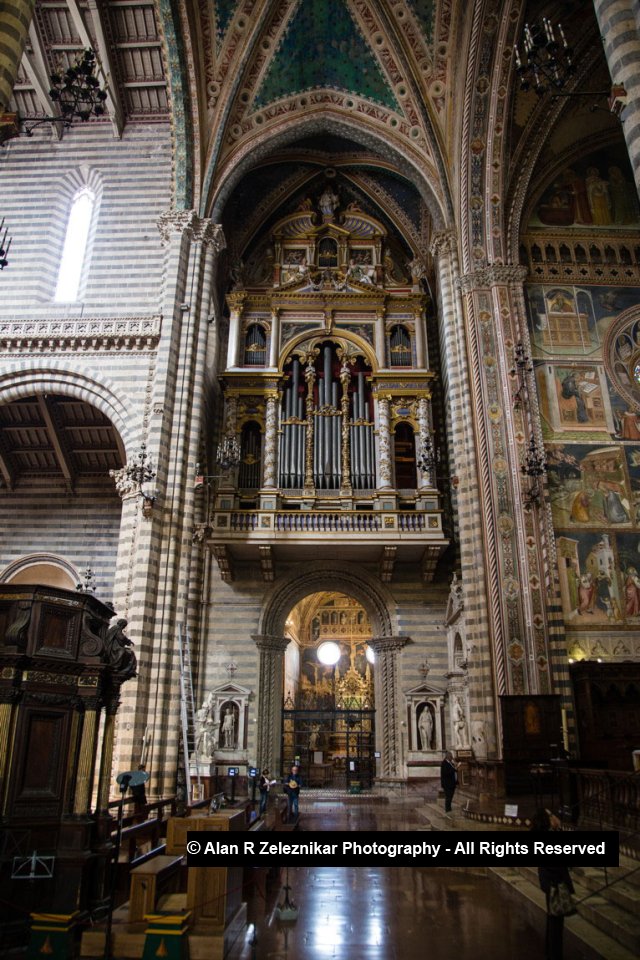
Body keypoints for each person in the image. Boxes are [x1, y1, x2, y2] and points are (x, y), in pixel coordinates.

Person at [531, 808, 574, 960]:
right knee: (556, 921)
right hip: (555, 882)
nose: (555, 816)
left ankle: (551, 951)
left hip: (550, 881)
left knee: (553, 917)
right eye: (551, 816)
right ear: (547, 821)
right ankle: (555, 954)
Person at [440, 750, 458, 815]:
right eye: (451, 756)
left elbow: (453, 770)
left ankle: (449, 809)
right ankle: (448, 810)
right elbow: (446, 773)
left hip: (452, 784)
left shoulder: (450, 763)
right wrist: (454, 769)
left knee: (450, 797)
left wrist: (455, 766)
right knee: (448, 797)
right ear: (448, 756)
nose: (452, 757)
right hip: (447, 784)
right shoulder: (444, 763)